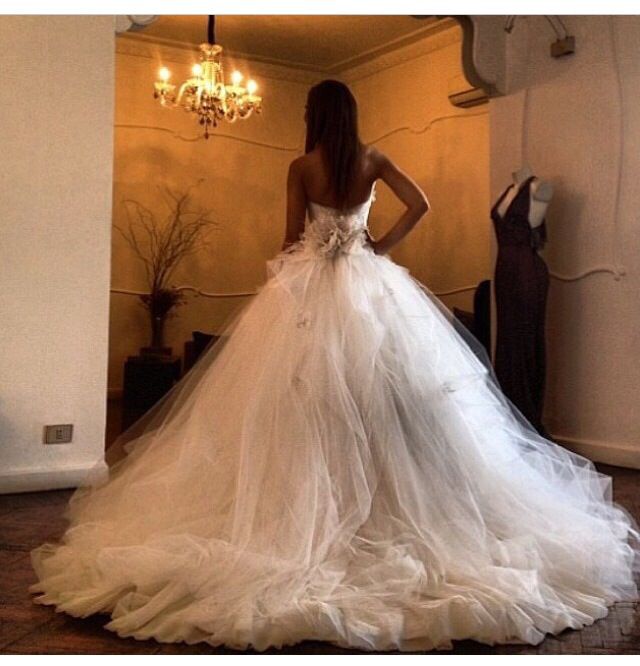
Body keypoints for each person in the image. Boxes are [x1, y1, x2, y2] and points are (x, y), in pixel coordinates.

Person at [29, 79, 639, 653]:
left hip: (315, 285)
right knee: (387, 402)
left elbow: (290, 237)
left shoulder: (301, 166)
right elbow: (420, 203)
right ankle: (391, 500)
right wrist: (378, 245)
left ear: (314, 119)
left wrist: (297, 269)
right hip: (372, 286)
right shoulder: (373, 158)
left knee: (301, 401)